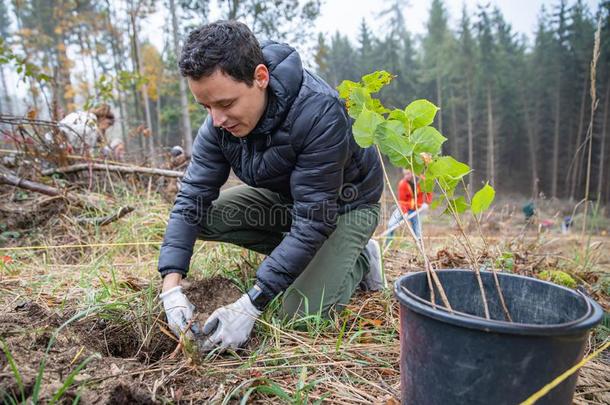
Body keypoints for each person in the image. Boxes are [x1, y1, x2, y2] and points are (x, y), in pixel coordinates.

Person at [157, 20, 384, 352]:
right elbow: (192, 197)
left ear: (260, 78)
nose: (217, 120)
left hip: (344, 206)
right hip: (290, 200)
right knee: (201, 218)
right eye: (206, 107)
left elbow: (313, 220)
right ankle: (314, 257)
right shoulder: (219, 123)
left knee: (299, 314)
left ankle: (359, 257)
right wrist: (171, 287)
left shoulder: (319, 113)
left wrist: (251, 303)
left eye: (225, 104)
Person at [46, 103, 116, 155]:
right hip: (56, 149)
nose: (106, 128)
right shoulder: (90, 126)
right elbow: (86, 151)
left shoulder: (82, 116)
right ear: (103, 118)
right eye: (108, 124)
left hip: (49, 145)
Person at [385, 169, 432, 246]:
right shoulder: (402, 184)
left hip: (416, 209)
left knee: (418, 231)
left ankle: (419, 248)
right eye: (405, 174)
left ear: (414, 173)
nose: (406, 176)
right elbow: (402, 201)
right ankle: (388, 245)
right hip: (404, 208)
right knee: (391, 224)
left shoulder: (423, 181)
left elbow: (429, 191)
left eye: (408, 173)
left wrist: (427, 203)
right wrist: (404, 212)